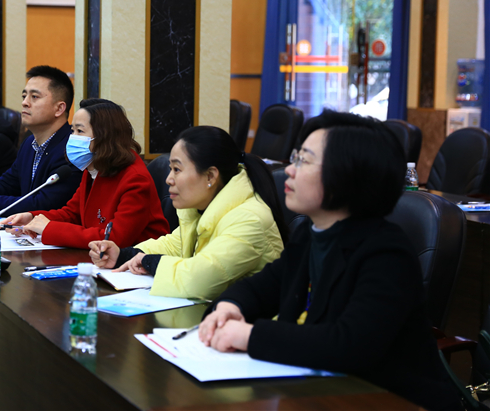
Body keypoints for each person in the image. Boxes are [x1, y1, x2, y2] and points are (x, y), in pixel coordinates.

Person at [197, 111, 461, 410]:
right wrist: (229, 308)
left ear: (346, 175)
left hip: (391, 401)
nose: (289, 170)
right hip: (322, 392)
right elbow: (259, 288)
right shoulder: (310, 235)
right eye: (295, 157)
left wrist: (249, 335)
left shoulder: (386, 253)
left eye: (304, 160)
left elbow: (348, 344)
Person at [89, 126, 285, 300]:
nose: (168, 179)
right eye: (170, 169)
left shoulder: (249, 219)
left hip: (247, 325)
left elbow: (199, 279)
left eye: (177, 169)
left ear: (210, 176)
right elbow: (174, 245)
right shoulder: (201, 207)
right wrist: (122, 255)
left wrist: (148, 261)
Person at [2, 99, 170, 248]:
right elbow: (72, 213)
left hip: (135, 264)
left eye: (80, 131)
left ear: (105, 137)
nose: (72, 137)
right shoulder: (94, 167)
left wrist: (49, 228)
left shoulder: (135, 178)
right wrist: (32, 218)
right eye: (72, 130)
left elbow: (114, 238)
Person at [0, 66, 83, 215]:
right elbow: (7, 183)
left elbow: (44, 204)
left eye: (34, 97)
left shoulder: (71, 149)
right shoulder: (29, 143)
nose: (25, 103)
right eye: (24, 96)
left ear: (59, 108)